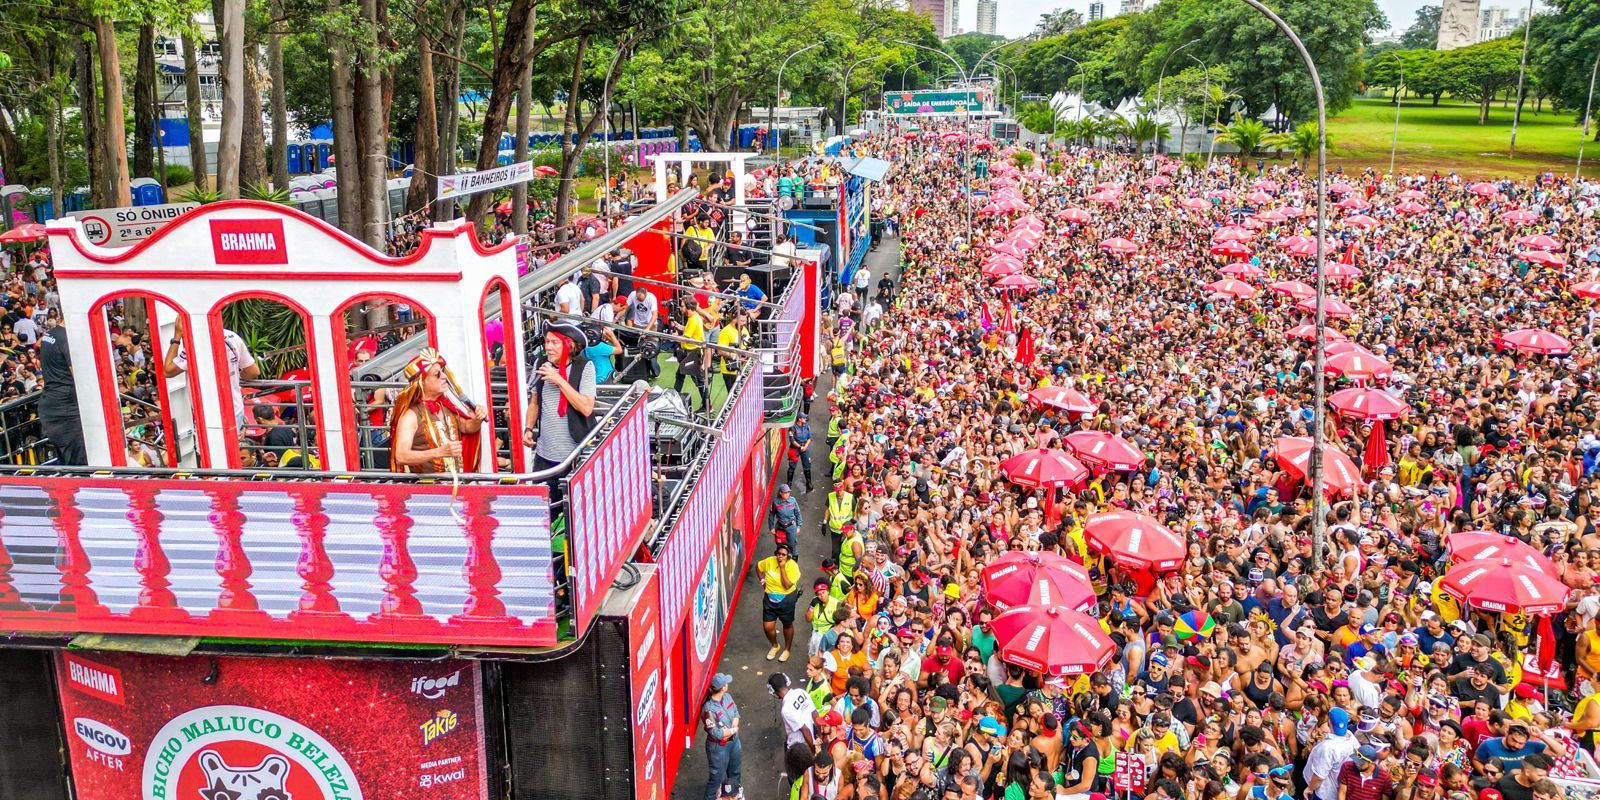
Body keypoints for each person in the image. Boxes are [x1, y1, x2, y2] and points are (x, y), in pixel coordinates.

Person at [389, 349, 487, 473]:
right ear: (421, 382)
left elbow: (467, 428)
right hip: (428, 488)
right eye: (437, 374)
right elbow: (401, 456)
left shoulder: (446, 406)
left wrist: (477, 419)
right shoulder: (411, 416)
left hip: (457, 484)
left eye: (443, 372)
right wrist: (439, 452)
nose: (444, 377)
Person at [523, 322, 597, 471]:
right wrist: (528, 429)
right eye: (547, 342)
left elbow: (587, 408)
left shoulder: (585, 366)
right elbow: (534, 403)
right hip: (545, 454)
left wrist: (559, 380)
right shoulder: (540, 363)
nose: (548, 347)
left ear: (569, 346)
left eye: (555, 342)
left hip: (577, 453)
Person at [164, 322, 260, 425]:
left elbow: (168, 371)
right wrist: (233, 373)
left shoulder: (196, 344)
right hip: (235, 409)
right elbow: (253, 371)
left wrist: (177, 336)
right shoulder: (232, 337)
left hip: (211, 415)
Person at [35, 321, 85, 465]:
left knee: (66, 461)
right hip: (66, 408)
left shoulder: (50, 335)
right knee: (78, 463)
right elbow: (78, 376)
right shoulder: (67, 339)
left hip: (52, 405)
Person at [702, 672, 742, 800]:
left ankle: (735, 795)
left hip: (734, 743)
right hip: (718, 749)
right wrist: (733, 730)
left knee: (735, 773)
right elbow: (716, 733)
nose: (727, 685)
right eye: (726, 683)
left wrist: (731, 730)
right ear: (722, 687)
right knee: (716, 779)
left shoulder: (727, 697)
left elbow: (736, 713)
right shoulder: (708, 709)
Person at [760, 543, 801, 662]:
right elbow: (759, 567)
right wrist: (763, 581)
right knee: (768, 627)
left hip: (786, 599)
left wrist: (782, 568)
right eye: (778, 554)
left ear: (788, 556)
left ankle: (787, 649)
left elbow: (787, 585)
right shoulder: (769, 561)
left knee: (787, 625)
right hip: (769, 599)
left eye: (783, 555)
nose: (780, 557)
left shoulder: (792, 566)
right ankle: (775, 645)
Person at [769, 671, 817, 752]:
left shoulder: (786, 709)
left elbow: (805, 730)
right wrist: (819, 734)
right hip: (812, 739)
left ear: (775, 691)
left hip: (799, 748)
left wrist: (813, 751)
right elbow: (814, 712)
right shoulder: (800, 692)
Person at [771, 484, 802, 555]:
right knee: (779, 545)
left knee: (792, 546)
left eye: (788, 492)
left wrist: (798, 526)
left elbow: (798, 513)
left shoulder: (793, 501)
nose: (787, 494)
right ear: (780, 493)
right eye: (785, 492)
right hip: (780, 526)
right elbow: (772, 514)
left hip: (791, 527)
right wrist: (771, 527)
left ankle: (793, 562)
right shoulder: (776, 502)